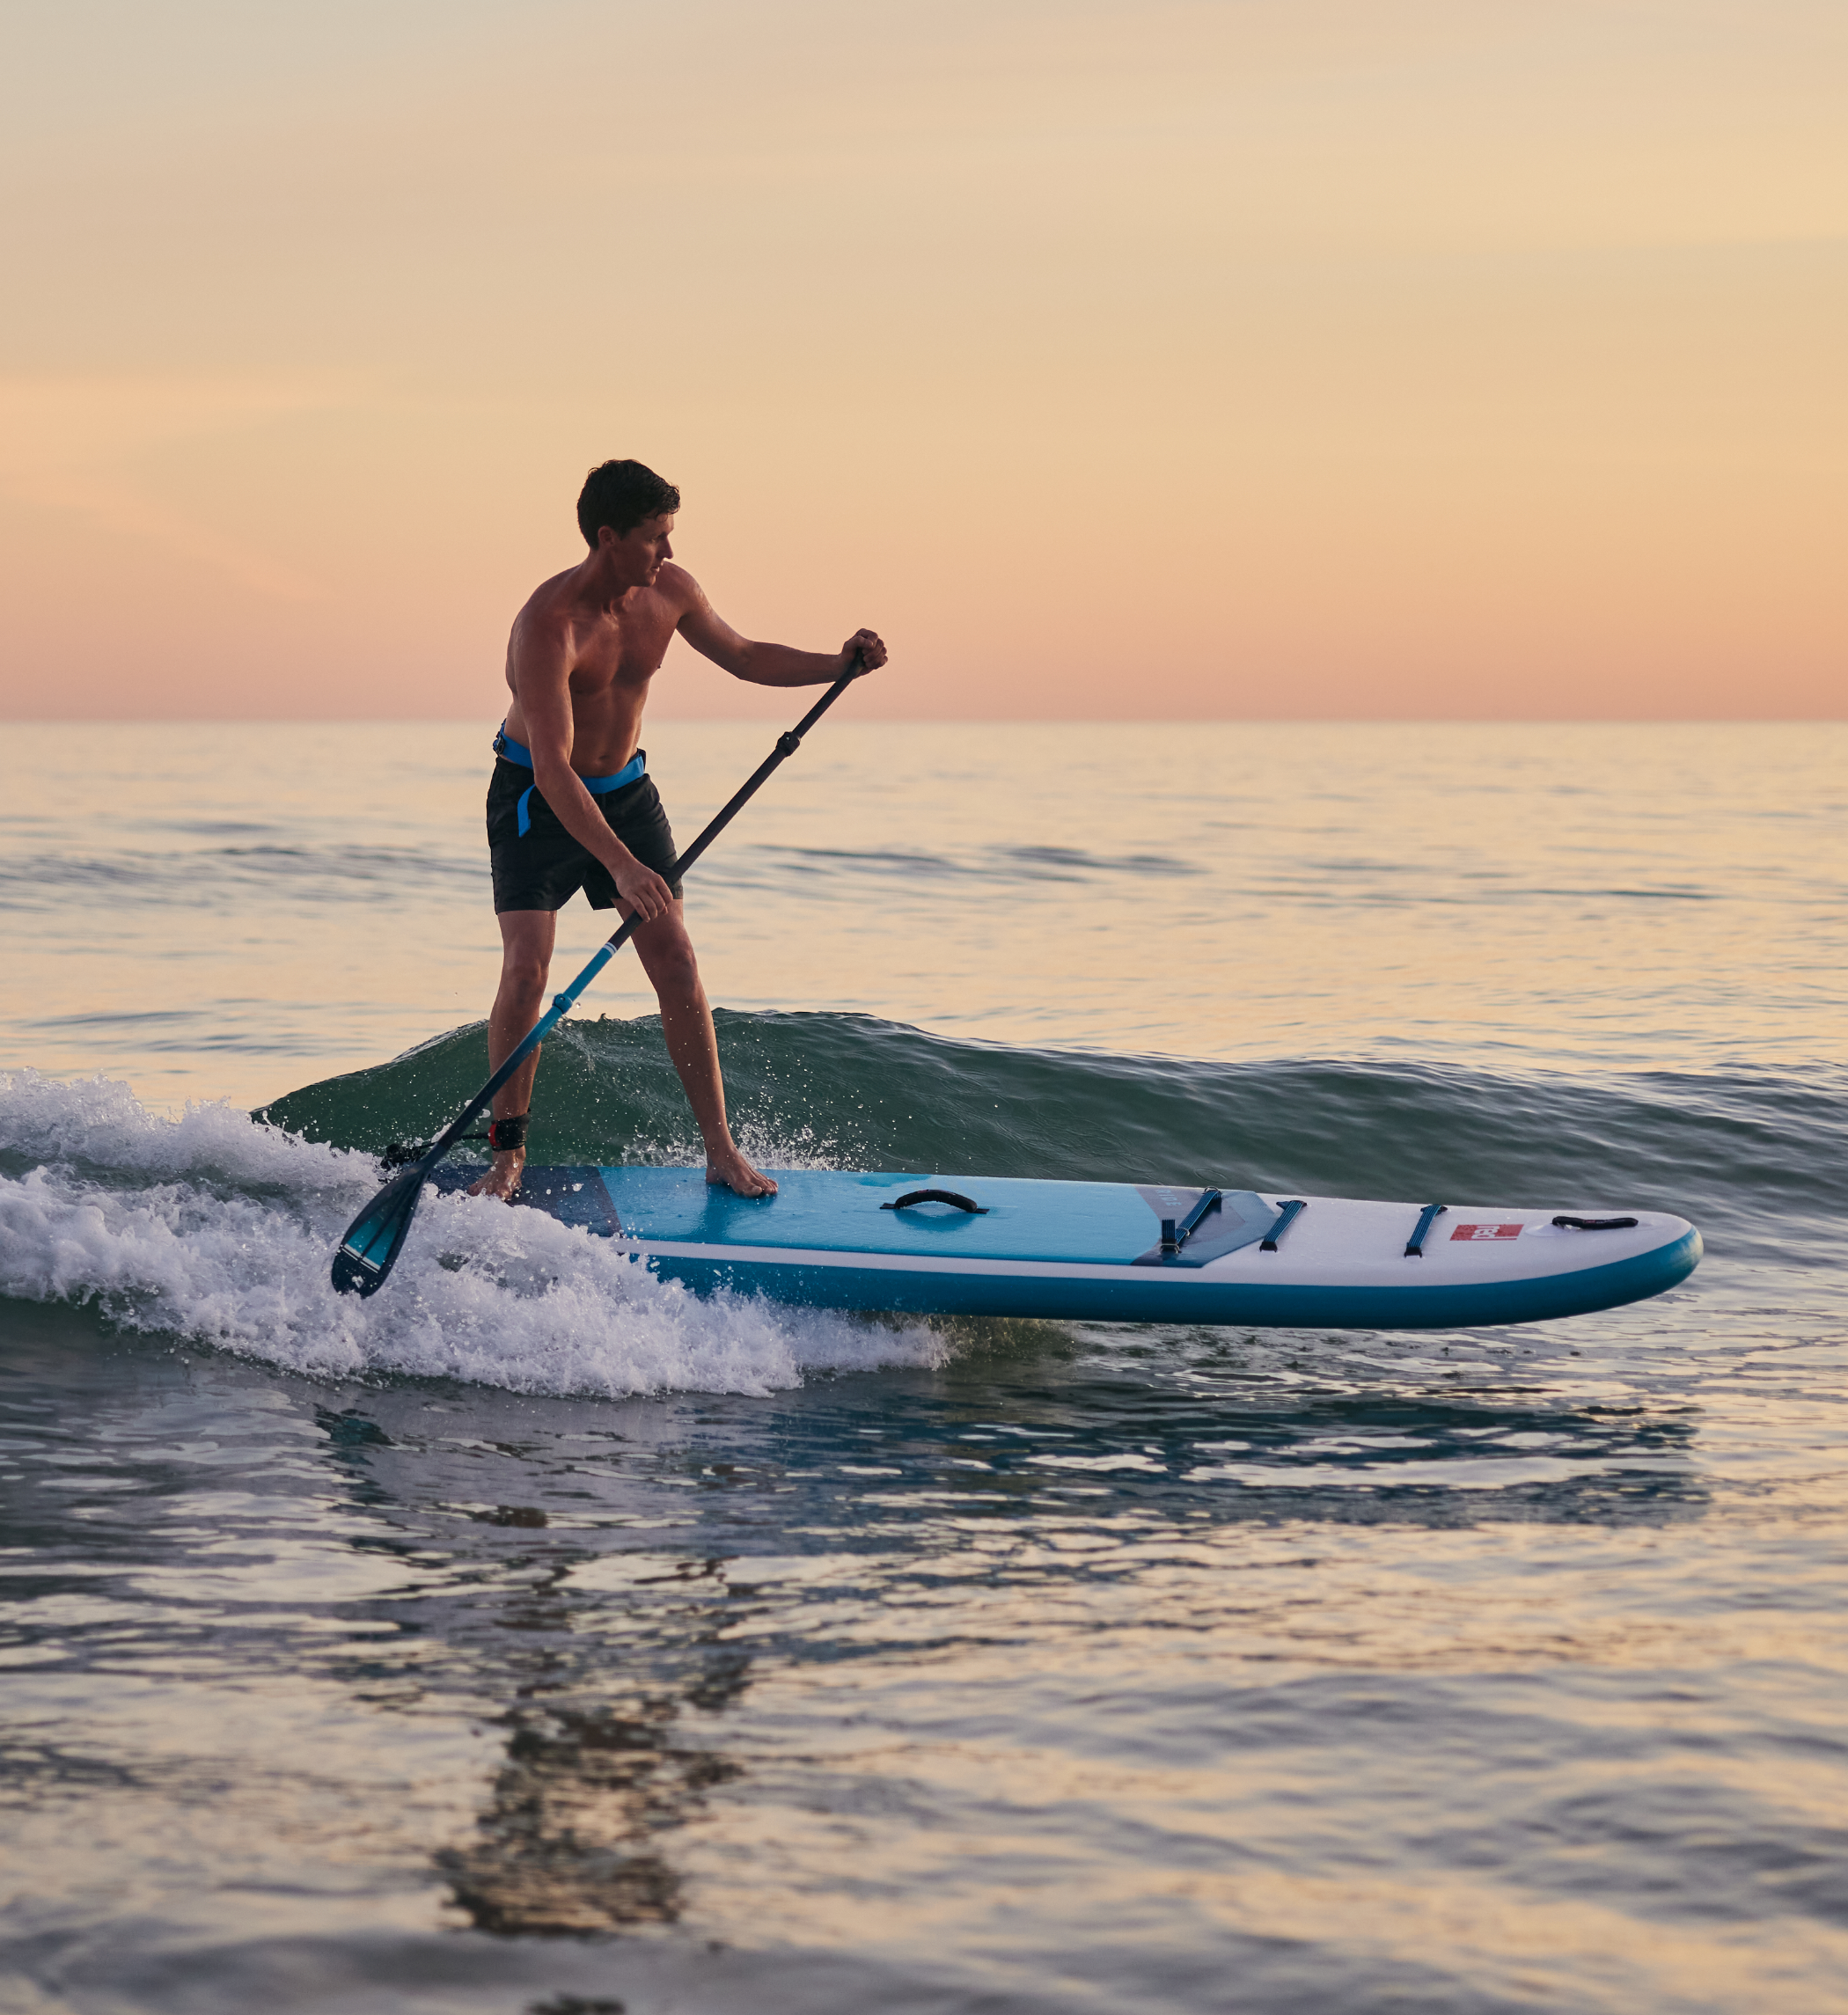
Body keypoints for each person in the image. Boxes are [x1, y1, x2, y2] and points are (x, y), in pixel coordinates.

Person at [472, 458, 885, 1203]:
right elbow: (555, 771)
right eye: (655, 538)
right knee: (527, 969)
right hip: (538, 799)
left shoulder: (671, 591)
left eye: (670, 536)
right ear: (608, 537)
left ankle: (722, 1153)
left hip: (626, 791)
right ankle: (507, 1157)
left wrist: (838, 666)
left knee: (679, 965)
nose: (667, 552)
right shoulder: (547, 627)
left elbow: (746, 655)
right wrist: (624, 868)